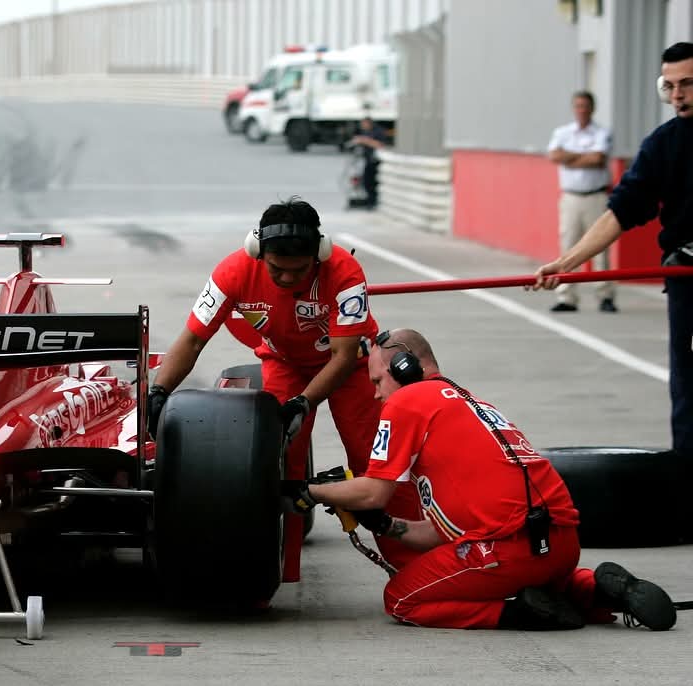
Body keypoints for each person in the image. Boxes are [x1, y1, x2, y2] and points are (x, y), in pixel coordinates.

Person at [290, 328, 676, 632]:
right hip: (561, 546)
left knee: (402, 599)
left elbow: (374, 491)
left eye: (377, 381)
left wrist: (308, 491)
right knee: (541, 580)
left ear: (405, 368)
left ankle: (521, 614)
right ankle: (595, 588)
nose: (375, 395)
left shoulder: (406, 402)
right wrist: (391, 526)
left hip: (510, 549)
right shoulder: (470, 403)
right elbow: (447, 531)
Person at [149, 196, 419, 567]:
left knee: (377, 464)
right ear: (257, 252)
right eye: (278, 270)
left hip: (352, 369)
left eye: (300, 269)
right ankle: (276, 570)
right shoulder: (232, 272)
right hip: (284, 363)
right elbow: (193, 338)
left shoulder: (345, 271)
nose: (288, 278)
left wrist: (304, 403)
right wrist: (159, 391)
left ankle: (412, 565)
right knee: (275, 463)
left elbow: (342, 357)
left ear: (319, 254)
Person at [533, 42, 693, 458]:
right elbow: (621, 211)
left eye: (688, 84)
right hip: (687, 279)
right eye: (670, 85)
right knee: (689, 388)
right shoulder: (663, 144)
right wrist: (566, 263)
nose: (678, 94)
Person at [546, 90, 616, 313]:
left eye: (585, 106)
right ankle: (567, 296)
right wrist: (582, 157)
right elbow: (554, 156)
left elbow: (598, 159)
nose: (581, 110)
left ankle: (605, 295)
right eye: (578, 106)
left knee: (601, 248)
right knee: (568, 246)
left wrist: (570, 157)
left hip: (595, 195)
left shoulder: (601, 132)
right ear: (573, 108)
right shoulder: (562, 132)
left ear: (592, 108)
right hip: (571, 196)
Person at [346, 116, 390, 210]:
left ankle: (373, 201)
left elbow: (381, 145)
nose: (362, 126)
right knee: (366, 182)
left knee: (372, 183)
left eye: (364, 124)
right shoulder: (366, 132)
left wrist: (364, 141)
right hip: (368, 160)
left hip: (376, 161)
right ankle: (370, 201)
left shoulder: (378, 132)